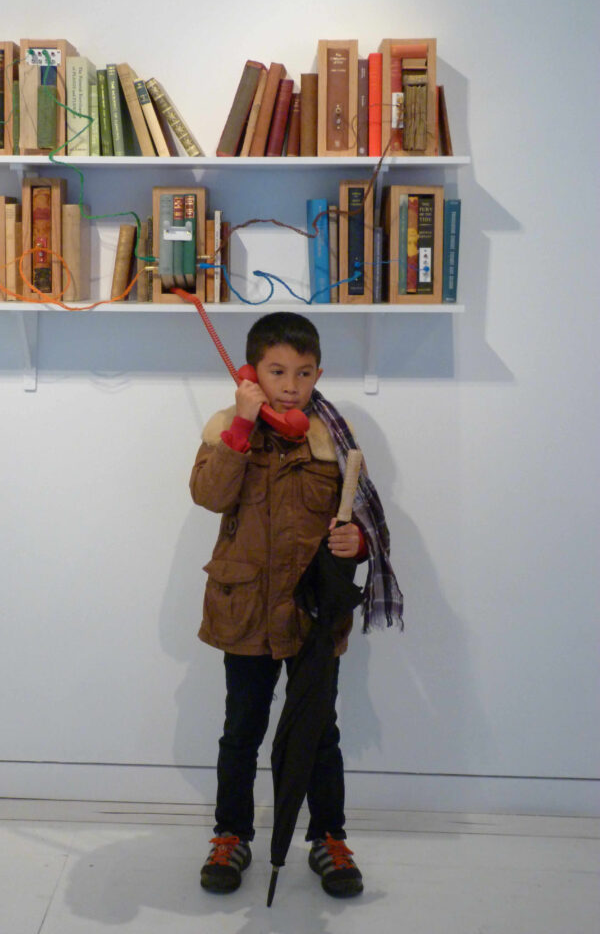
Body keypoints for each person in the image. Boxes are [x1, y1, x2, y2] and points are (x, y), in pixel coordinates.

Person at [190, 311, 402, 900]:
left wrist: (355, 542)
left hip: (310, 613)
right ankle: (231, 833)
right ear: (252, 373)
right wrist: (241, 424)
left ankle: (327, 836)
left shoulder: (334, 442)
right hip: (246, 612)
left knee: (318, 732)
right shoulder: (229, 430)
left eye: (303, 373)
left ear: (318, 375)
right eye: (277, 371)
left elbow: (361, 524)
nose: (291, 384)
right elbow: (209, 495)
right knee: (241, 730)